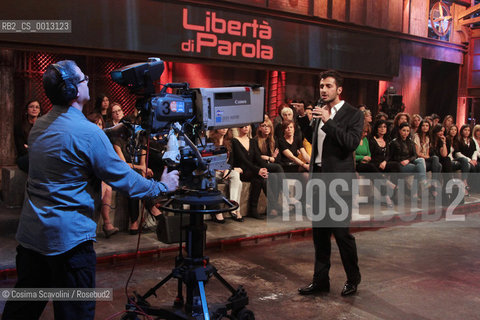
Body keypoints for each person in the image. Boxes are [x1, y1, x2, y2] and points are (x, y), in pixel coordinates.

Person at [2, 60, 179, 320]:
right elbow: (125, 180)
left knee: (22, 310)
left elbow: (69, 138)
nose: (87, 80)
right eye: (83, 77)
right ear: (74, 91)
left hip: (32, 239)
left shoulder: (40, 126)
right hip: (69, 246)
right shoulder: (88, 134)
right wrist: (163, 185)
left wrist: (108, 131)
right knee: (74, 313)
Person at [298, 70, 363, 297]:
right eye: (321, 86)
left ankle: (353, 279)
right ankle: (320, 280)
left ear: (339, 89)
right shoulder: (319, 110)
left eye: (328, 86)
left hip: (339, 183)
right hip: (318, 179)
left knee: (342, 234)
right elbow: (313, 138)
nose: (323, 90)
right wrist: (303, 119)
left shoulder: (353, 114)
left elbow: (351, 144)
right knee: (320, 235)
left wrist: (329, 121)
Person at [86, 112, 119, 238]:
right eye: (95, 124)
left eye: (100, 124)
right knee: (102, 186)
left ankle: (107, 224)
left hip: (98, 175)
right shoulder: (85, 139)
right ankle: (103, 225)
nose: (98, 127)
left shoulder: (104, 140)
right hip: (85, 177)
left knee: (107, 187)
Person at [14, 99, 42, 173]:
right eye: (31, 107)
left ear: (39, 111)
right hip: (26, 156)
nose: (34, 109)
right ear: (27, 110)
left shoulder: (43, 126)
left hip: (40, 155)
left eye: (37, 107)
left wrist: (30, 147)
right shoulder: (20, 127)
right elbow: (21, 148)